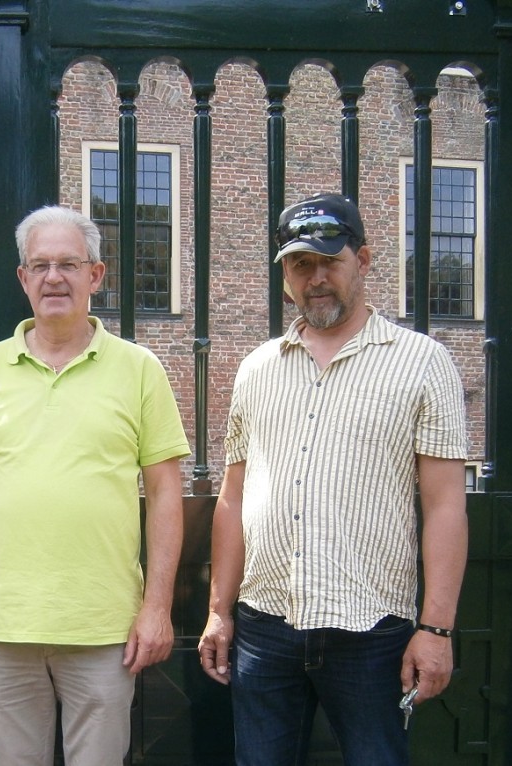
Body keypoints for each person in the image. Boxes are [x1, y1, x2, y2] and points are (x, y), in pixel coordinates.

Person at [198, 193, 468, 765]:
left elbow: (445, 505)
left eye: (331, 261)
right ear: (285, 276)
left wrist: (437, 630)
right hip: (264, 627)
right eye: (301, 265)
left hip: (372, 632)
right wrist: (220, 610)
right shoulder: (257, 369)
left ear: (363, 261)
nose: (316, 278)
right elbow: (233, 496)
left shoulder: (422, 362)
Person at [0, 205, 191, 766]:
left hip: (104, 629)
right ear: (22, 278)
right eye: (40, 265)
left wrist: (157, 607)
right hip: (2, 629)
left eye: (69, 264)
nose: (54, 277)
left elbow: (166, 493)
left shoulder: (140, 369)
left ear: (96, 275)